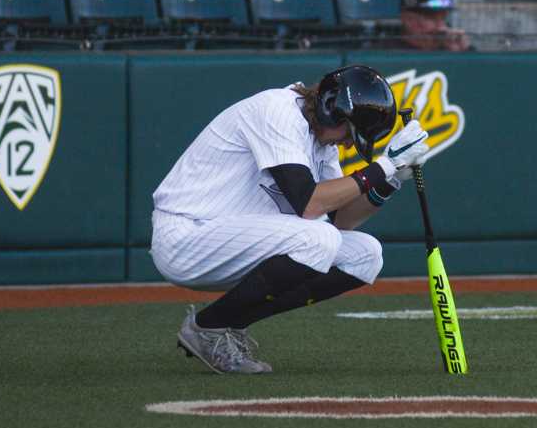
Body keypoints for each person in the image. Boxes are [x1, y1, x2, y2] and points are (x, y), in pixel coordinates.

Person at [150, 65, 431, 374]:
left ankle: (228, 324)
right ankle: (208, 327)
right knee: (317, 240)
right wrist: (384, 166)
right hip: (187, 236)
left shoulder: (320, 142)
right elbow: (309, 205)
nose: (349, 144)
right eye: (350, 134)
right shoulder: (277, 111)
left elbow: (340, 222)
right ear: (330, 109)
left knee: (365, 256)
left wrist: (390, 181)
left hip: (232, 240)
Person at [388, 0, 471, 52]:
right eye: (433, 18)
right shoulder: (387, 52)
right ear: (409, 20)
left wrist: (463, 53)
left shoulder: (450, 47)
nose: (441, 26)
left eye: (443, 18)